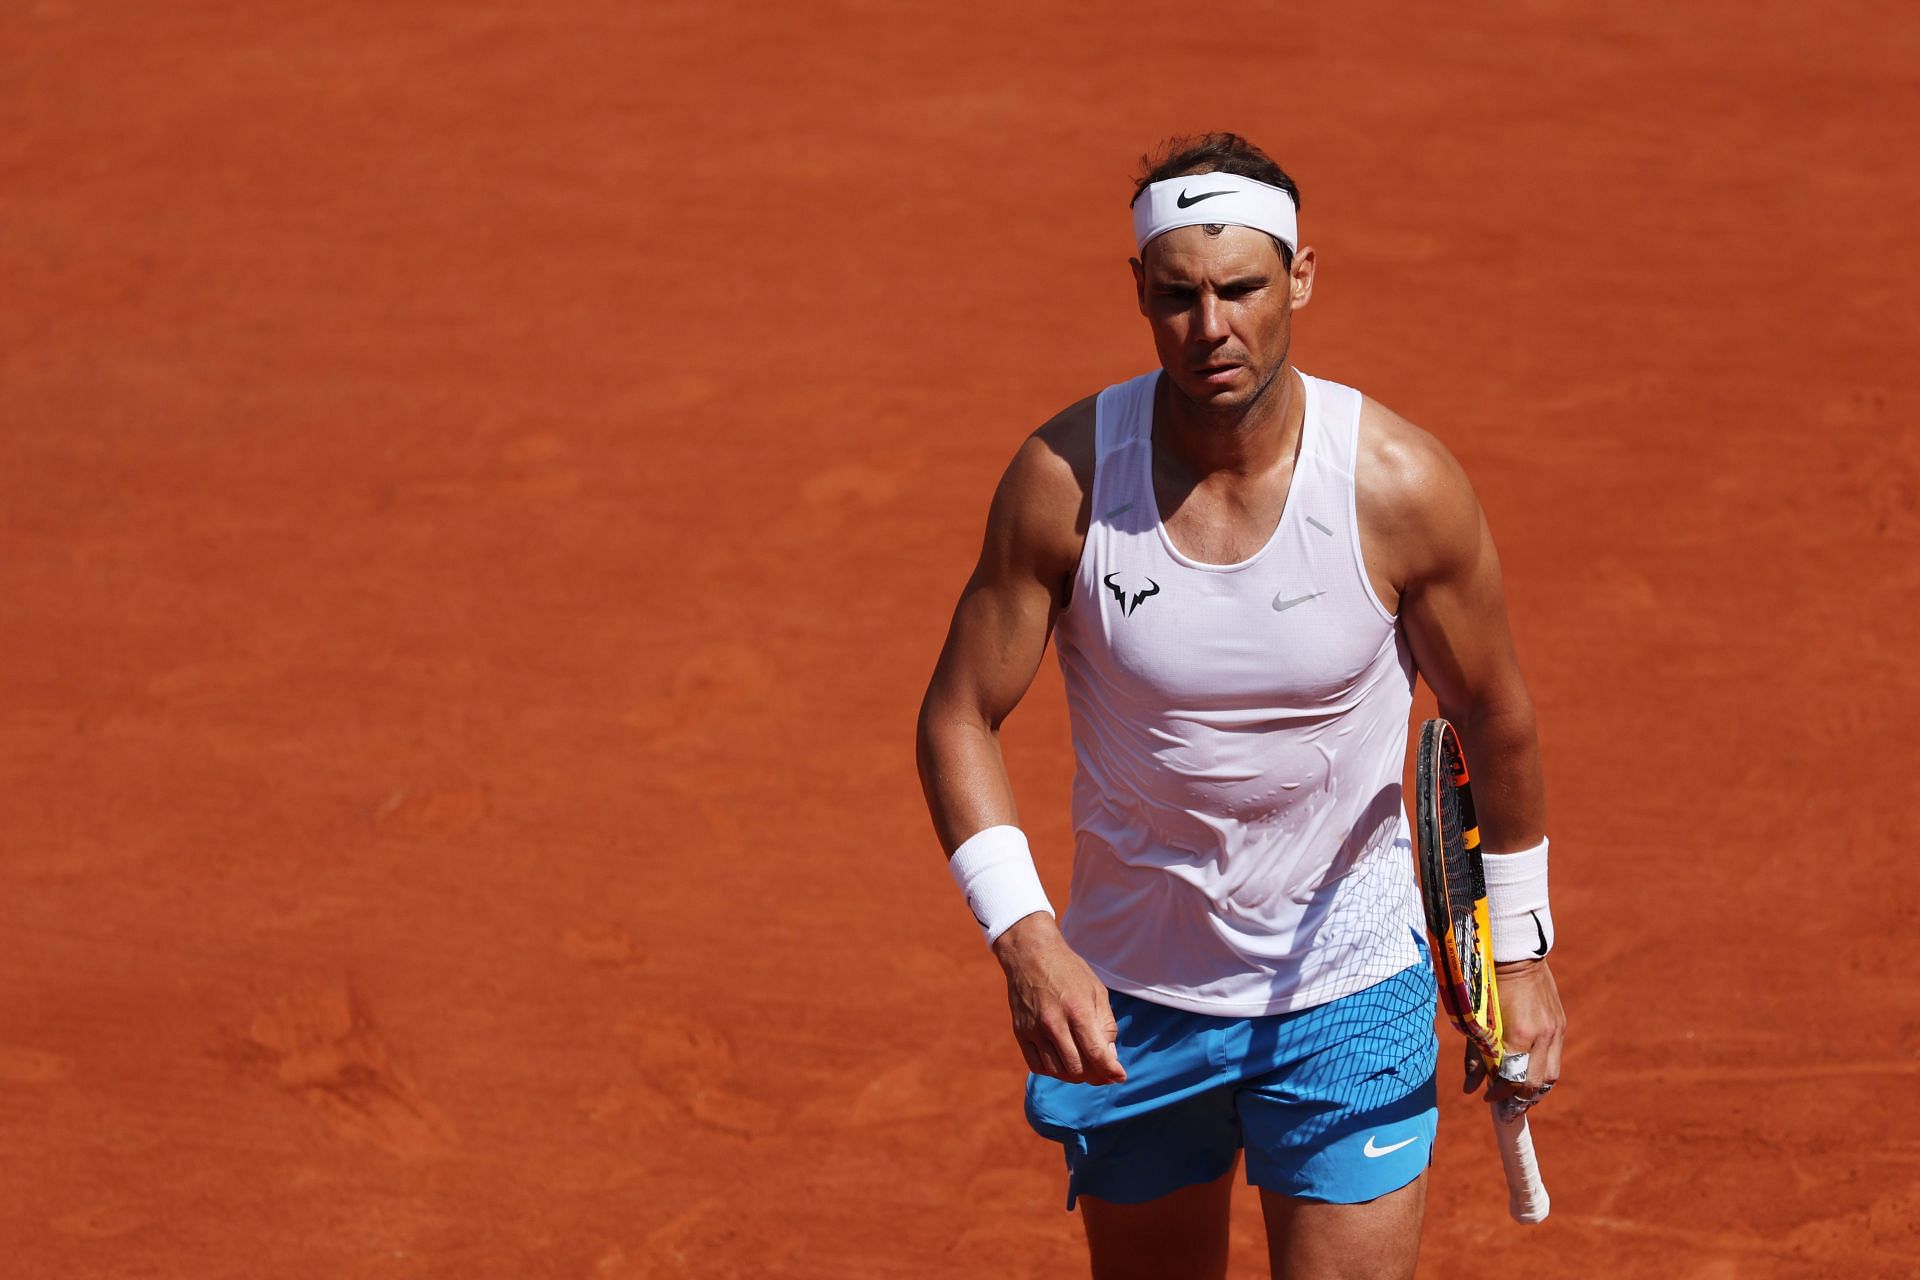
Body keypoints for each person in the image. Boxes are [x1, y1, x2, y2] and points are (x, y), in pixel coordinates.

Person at [914, 132, 1567, 1280]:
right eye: (1176, 295)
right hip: (1132, 1006)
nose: (1209, 326)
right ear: (1141, 293)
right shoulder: (1064, 482)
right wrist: (1023, 937)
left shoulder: (1399, 490)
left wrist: (1516, 949)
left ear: (1302, 278)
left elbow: (1494, 715)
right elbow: (959, 712)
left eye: (1241, 289)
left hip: (1348, 995)